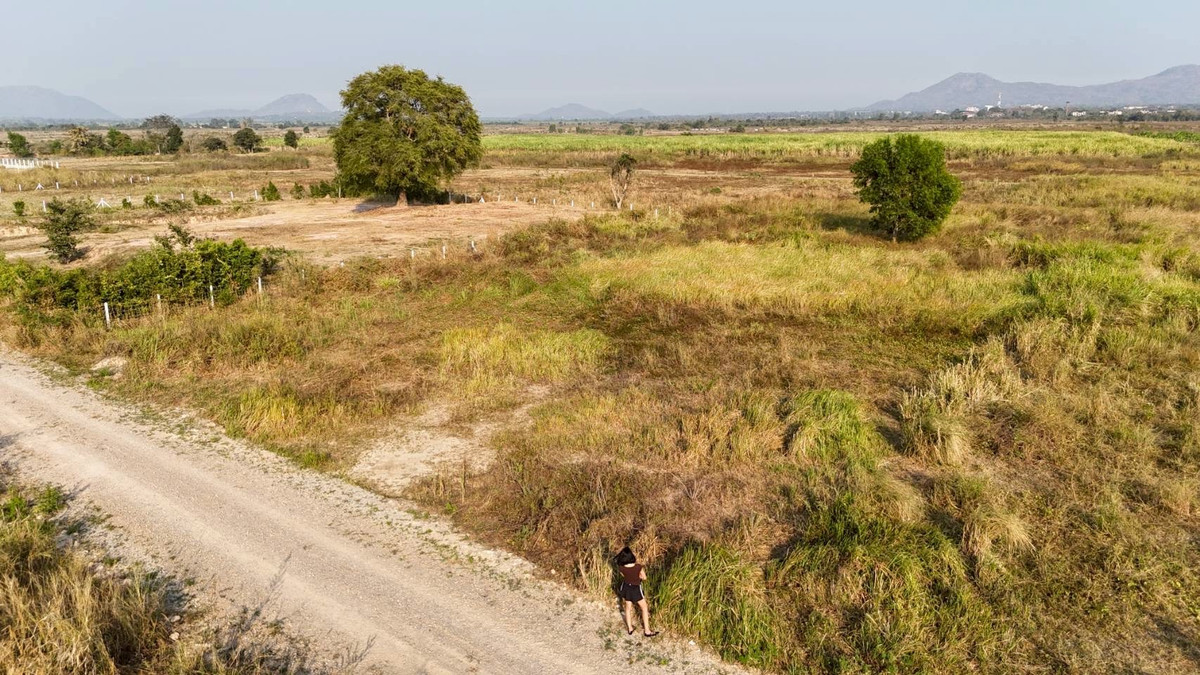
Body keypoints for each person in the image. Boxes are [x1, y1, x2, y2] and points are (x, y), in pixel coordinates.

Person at [614, 546, 659, 637]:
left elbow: (624, 576)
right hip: (636, 589)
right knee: (644, 608)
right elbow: (644, 578)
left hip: (626, 588)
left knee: (628, 607)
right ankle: (647, 631)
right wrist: (638, 577)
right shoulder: (638, 567)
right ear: (631, 556)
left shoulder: (621, 568)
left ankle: (630, 628)